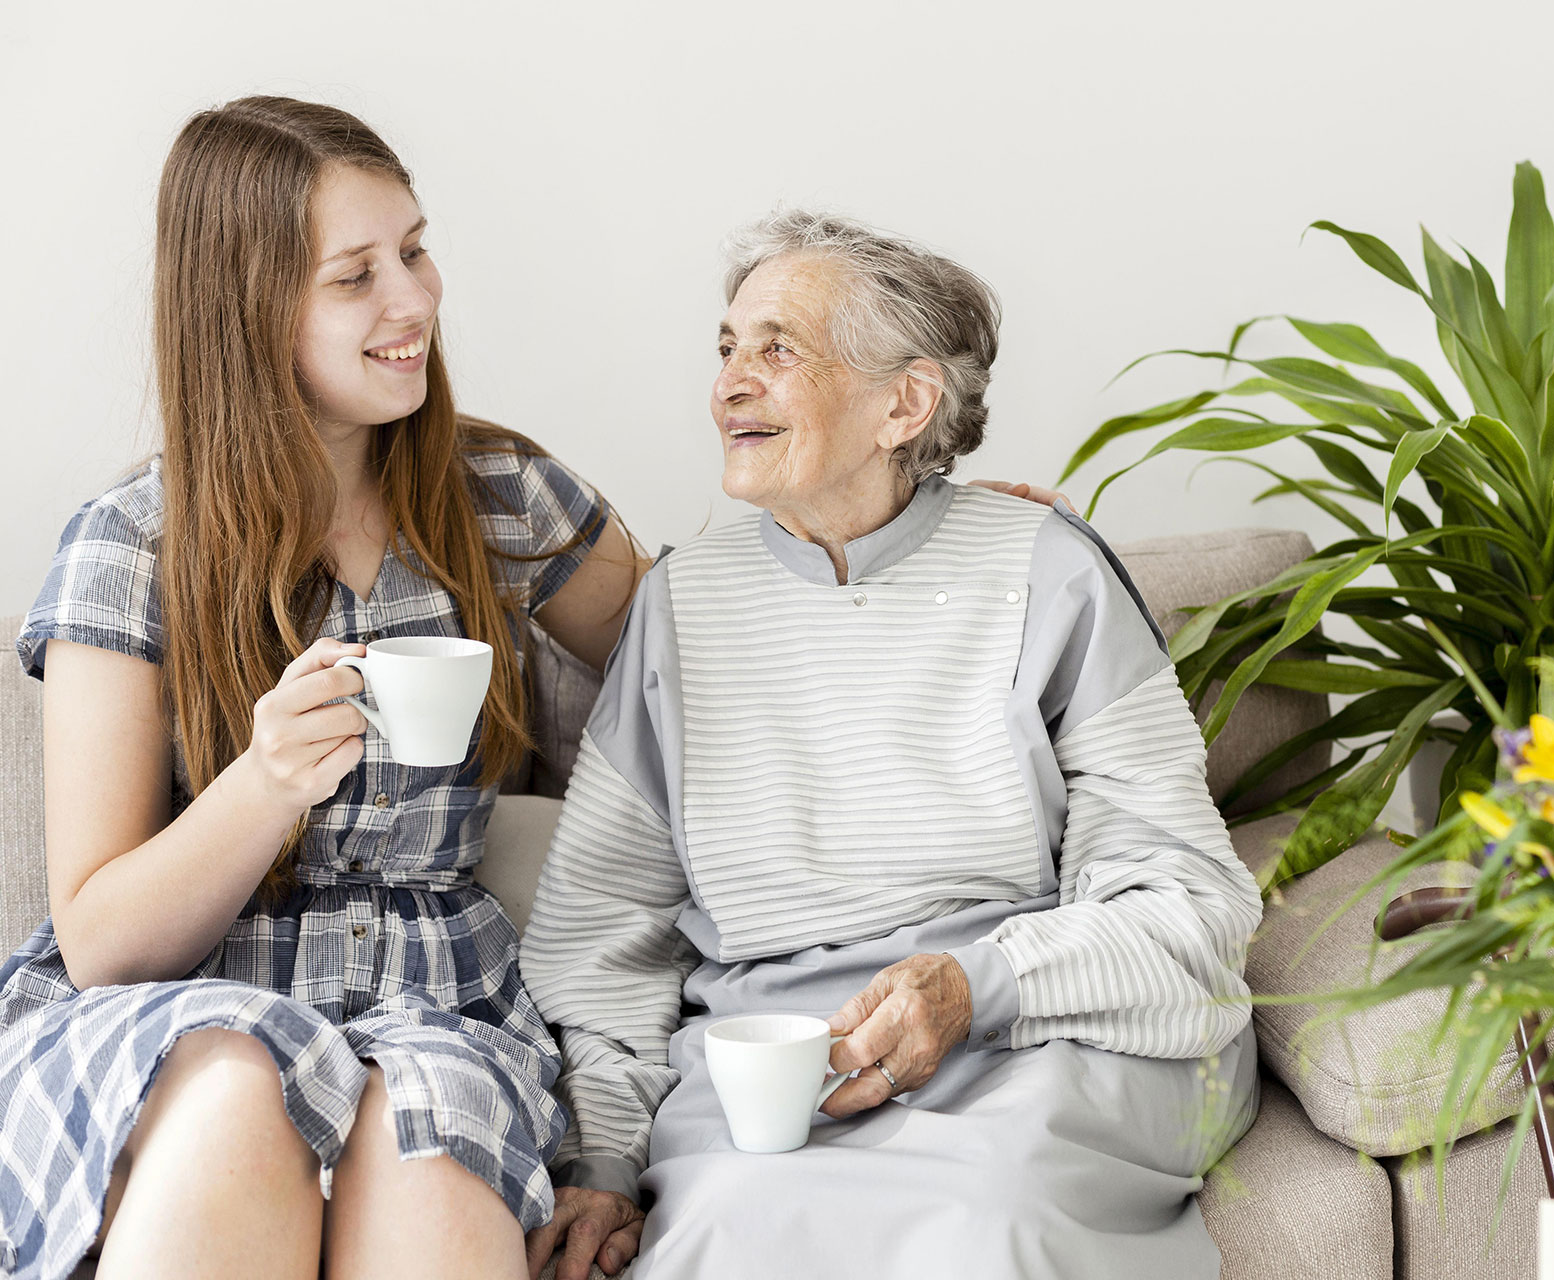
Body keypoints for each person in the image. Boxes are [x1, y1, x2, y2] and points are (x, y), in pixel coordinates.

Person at [0, 102, 1061, 1280]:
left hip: (434, 1010)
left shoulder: (498, 496)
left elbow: (717, 644)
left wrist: (922, 523)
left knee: (429, 1161)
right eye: (356, 275)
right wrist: (263, 784)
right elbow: (99, 943)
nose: (415, 298)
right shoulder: (131, 546)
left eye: (413, 247)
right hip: (198, 1006)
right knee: (240, 1091)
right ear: (246, 310)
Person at [520, 211, 1263, 1280]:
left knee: (984, 1223)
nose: (730, 381)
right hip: (782, 1059)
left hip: (1035, 1031)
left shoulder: (1047, 574)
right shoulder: (684, 607)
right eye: (726, 347)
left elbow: (1191, 903)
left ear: (904, 403)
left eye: (777, 347)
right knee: (729, 1230)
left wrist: (976, 982)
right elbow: (603, 933)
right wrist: (600, 1152)